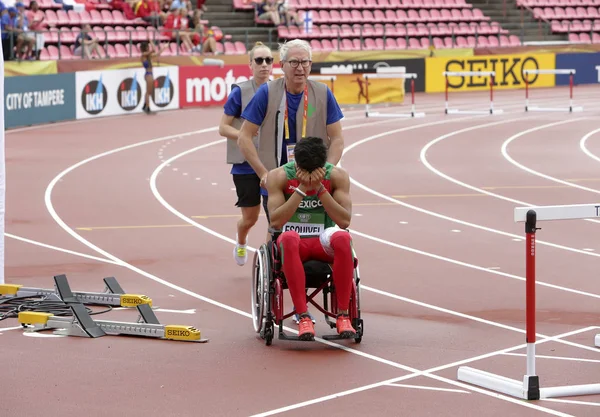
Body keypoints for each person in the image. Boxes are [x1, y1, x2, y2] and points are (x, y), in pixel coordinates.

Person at [266, 136, 356, 341]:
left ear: (323, 165)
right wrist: (301, 190)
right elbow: (276, 222)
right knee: (288, 238)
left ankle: (343, 315)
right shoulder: (278, 176)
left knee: (342, 238)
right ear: (296, 164)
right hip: (293, 240)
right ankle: (303, 316)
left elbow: (344, 221)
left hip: (323, 239)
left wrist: (320, 190)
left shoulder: (337, 176)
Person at [219, 42, 274, 266]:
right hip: (245, 165)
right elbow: (223, 127)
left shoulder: (280, 89)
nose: (264, 65)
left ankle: (272, 259)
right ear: (250, 64)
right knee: (250, 219)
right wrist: (246, 134)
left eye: (268, 60)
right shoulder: (240, 92)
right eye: (259, 60)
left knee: (275, 218)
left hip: (272, 163)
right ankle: (241, 242)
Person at [140, 41, 167, 114]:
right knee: (148, 92)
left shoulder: (148, 56)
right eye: (147, 47)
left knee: (149, 92)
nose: (149, 48)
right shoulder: (143, 55)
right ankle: (147, 108)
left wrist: (164, 48)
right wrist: (150, 40)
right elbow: (153, 50)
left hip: (150, 74)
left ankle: (145, 105)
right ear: (145, 48)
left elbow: (157, 53)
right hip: (148, 74)